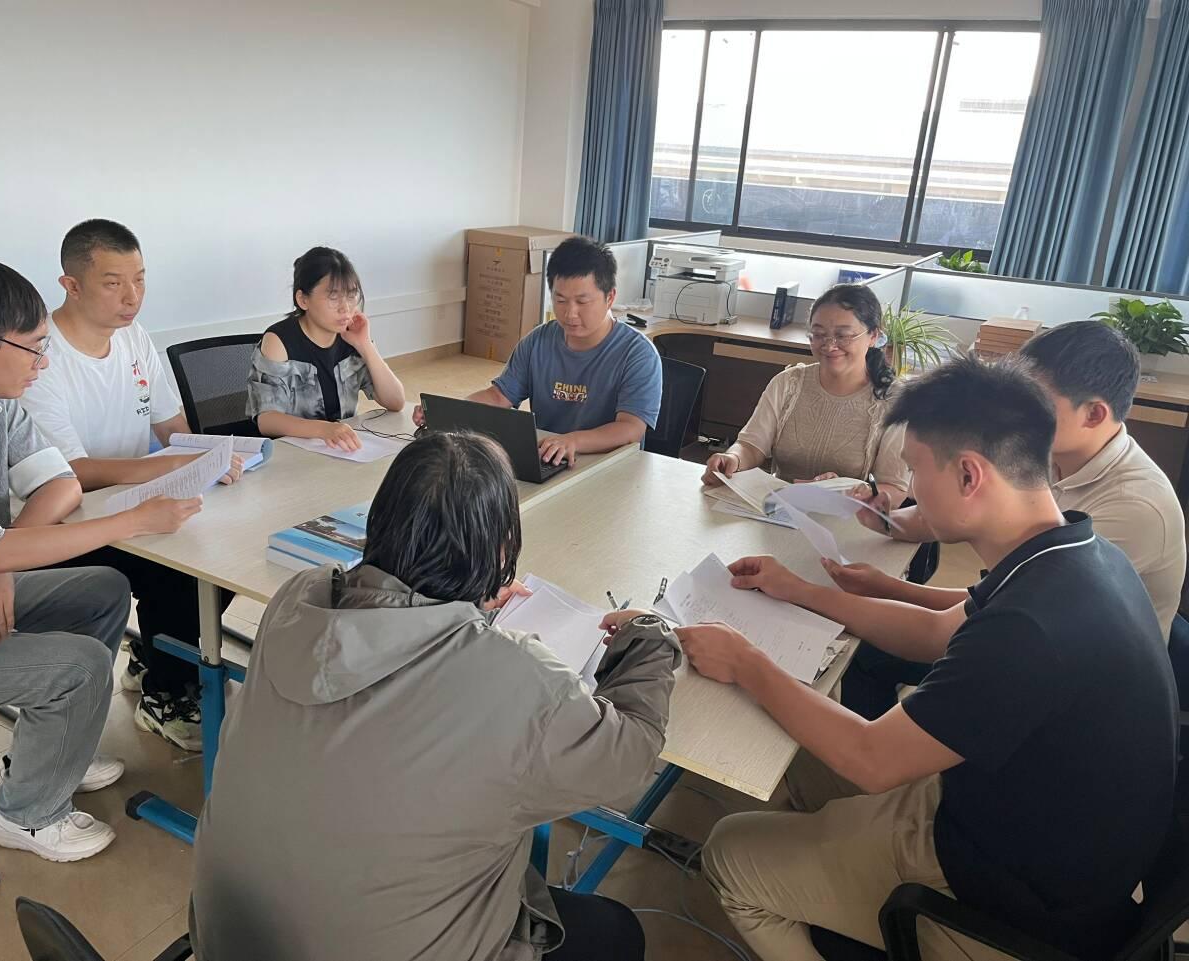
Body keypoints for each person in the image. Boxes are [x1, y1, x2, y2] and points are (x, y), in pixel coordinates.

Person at [679, 356, 1176, 961]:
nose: (910, 488)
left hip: (1008, 892)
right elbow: (937, 631)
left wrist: (746, 662)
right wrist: (802, 591)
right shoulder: (1072, 551)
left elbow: (871, 761)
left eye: (916, 469)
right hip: (1010, 814)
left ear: (969, 475)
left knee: (729, 853)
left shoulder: (1033, 628)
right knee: (790, 754)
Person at [191, 431, 682, 961]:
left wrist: (459, 604)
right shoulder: (520, 676)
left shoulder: (297, 598)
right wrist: (650, 634)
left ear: (378, 520)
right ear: (501, 550)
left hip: (227, 939)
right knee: (616, 931)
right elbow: (632, 753)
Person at [0, 257, 199, 862]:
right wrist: (135, 519)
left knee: (103, 588)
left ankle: (48, 752)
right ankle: (27, 815)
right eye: (35, 348)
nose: (43, 363)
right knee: (81, 665)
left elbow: (61, 482)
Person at [837, 321, 1186, 718]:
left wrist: (850, 591)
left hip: (1071, 685)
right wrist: (883, 521)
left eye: (1034, 398)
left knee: (875, 655)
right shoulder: (1050, 451)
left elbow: (988, 613)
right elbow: (980, 566)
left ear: (1093, 414)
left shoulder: (1133, 507)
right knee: (870, 649)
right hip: (1022, 626)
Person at [21, 220, 242, 752]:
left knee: (229, 544)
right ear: (71, 285)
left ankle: (157, 654)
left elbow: (170, 427)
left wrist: (208, 457)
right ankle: (166, 694)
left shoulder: (133, 337)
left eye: (140, 279)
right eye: (113, 282)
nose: (132, 297)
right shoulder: (40, 356)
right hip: (64, 521)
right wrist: (165, 468)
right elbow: (70, 472)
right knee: (180, 571)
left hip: (131, 502)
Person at [412, 235, 662, 466]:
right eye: (560, 300)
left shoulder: (638, 354)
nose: (570, 313)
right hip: (547, 459)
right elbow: (499, 397)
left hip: (610, 467)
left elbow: (631, 428)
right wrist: (448, 412)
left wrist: (572, 441)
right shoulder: (537, 342)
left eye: (582, 301)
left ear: (610, 298)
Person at [700, 283, 908, 505]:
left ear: (873, 336)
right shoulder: (788, 383)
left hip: (846, 516)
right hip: (779, 509)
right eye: (819, 334)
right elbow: (751, 445)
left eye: (843, 335)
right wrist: (733, 458)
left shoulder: (894, 402)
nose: (829, 345)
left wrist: (848, 491)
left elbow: (894, 489)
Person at [247, 246, 406, 452]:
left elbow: (396, 401)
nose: (345, 308)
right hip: (292, 454)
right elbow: (267, 420)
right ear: (303, 300)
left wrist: (365, 345)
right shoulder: (279, 341)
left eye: (351, 295)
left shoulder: (350, 337)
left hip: (338, 451)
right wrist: (324, 429)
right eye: (333, 297)